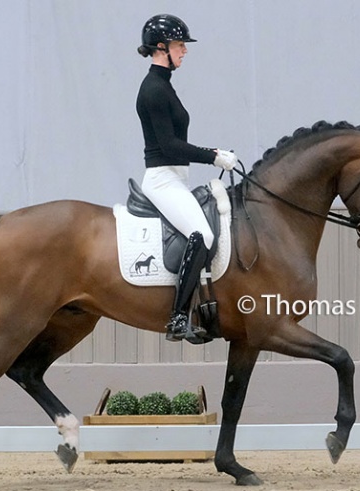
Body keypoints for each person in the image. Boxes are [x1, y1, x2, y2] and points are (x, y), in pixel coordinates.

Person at [136, 14, 238, 343]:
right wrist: (213, 156)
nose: (185, 51)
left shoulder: (164, 85)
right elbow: (168, 145)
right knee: (202, 234)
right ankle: (179, 317)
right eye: (180, 45)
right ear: (162, 47)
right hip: (162, 179)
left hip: (175, 178)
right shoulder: (153, 90)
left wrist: (212, 151)